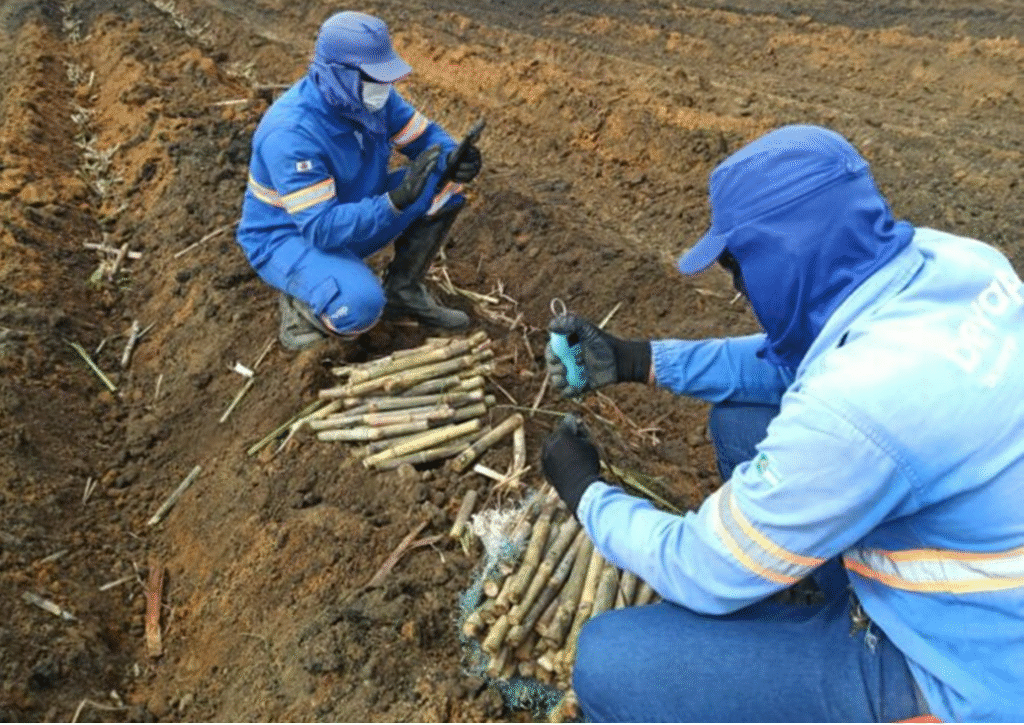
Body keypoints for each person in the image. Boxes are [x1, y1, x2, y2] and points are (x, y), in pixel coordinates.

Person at [541, 124, 1024, 722]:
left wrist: (586, 494)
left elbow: (700, 566)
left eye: (739, 268)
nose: (740, 289)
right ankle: (809, 593)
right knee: (742, 423)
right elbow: (803, 359)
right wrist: (639, 359)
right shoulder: (953, 261)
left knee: (611, 661)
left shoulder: (856, 408)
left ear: (780, 259)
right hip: (989, 580)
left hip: (978, 673)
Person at [236, 11, 482, 351]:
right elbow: (321, 228)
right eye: (374, 77)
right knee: (360, 306)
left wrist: (454, 158)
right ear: (338, 75)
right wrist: (393, 202)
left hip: (351, 208)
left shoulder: (369, 98)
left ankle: (403, 293)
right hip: (289, 235)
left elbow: (425, 138)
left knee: (445, 184)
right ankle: (304, 301)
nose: (386, 87)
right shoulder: (292, 133)